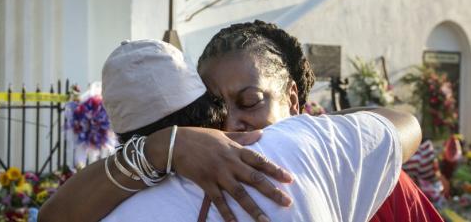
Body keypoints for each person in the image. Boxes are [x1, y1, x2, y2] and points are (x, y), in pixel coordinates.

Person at [40, 38, 421, 221]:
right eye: (227, 106)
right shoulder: (317, 145)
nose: (236, 123)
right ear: (210, 106)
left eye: (251, 100)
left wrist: (158, 150)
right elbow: (403, 123)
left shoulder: (116, 209)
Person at [196, 21, 443, 222]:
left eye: (250, 101)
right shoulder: (198, 188)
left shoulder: (375, 175)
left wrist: (322, 132)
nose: (230, 126)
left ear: (292, 99)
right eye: (214, 112)